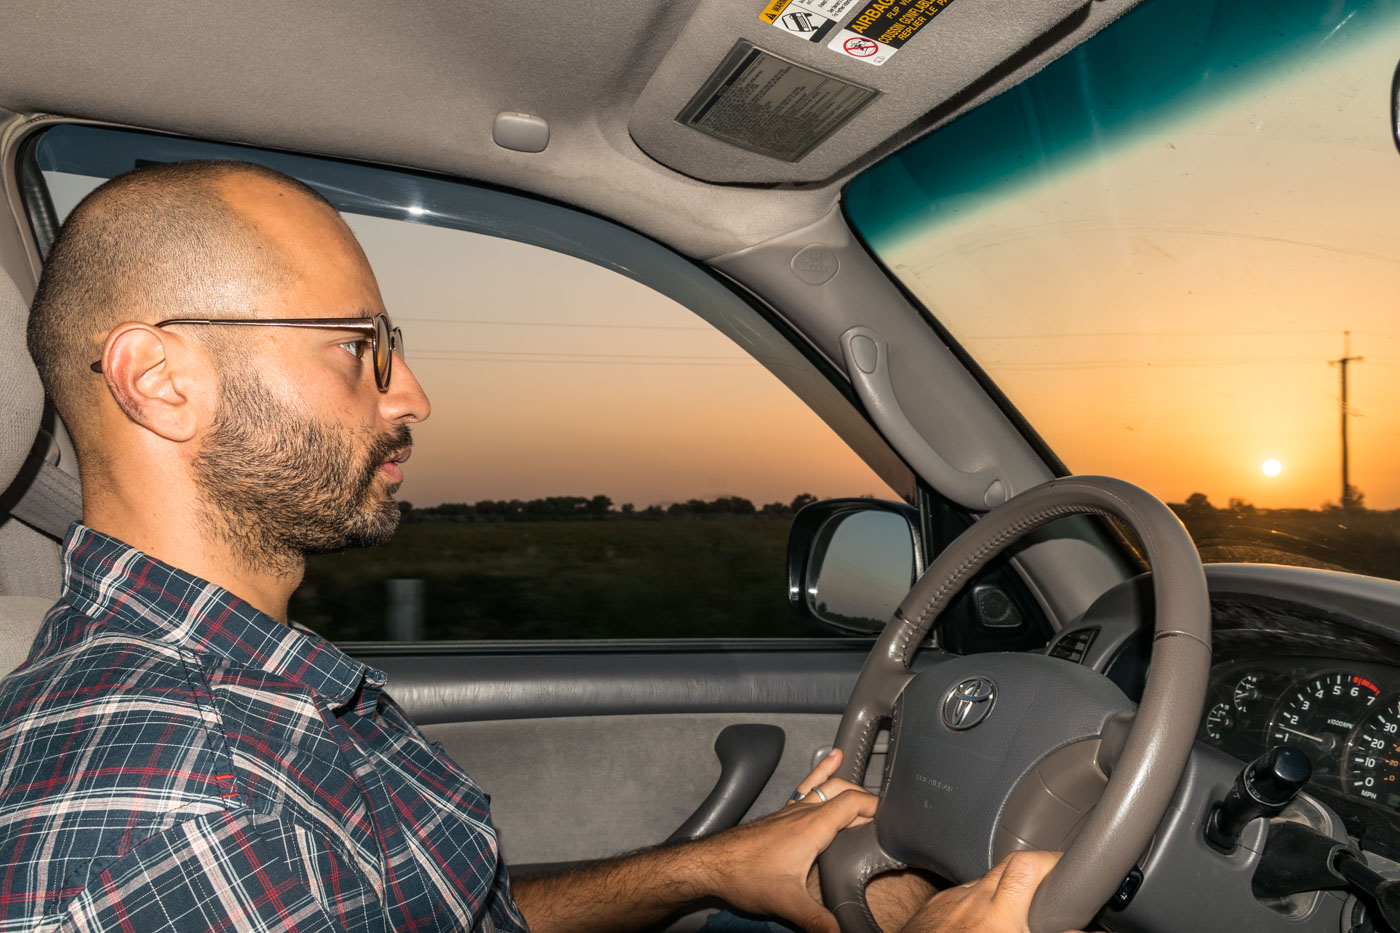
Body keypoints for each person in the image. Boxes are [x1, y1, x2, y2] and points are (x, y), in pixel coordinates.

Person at [0, 160, 1079, 933]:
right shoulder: (178, 820)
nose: (411, 396)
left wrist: (713, 868)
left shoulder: (241, 686)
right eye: (357, 349)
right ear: (159, 380)